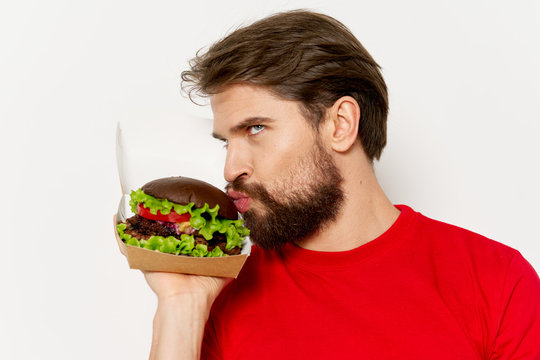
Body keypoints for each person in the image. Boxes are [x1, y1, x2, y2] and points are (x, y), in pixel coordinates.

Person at [143, 10, 540, 359]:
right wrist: (182, 304)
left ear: (340, 124)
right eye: (227, 140)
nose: (231, 168)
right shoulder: (220, 292)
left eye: (256, 128)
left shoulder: (497, 282)